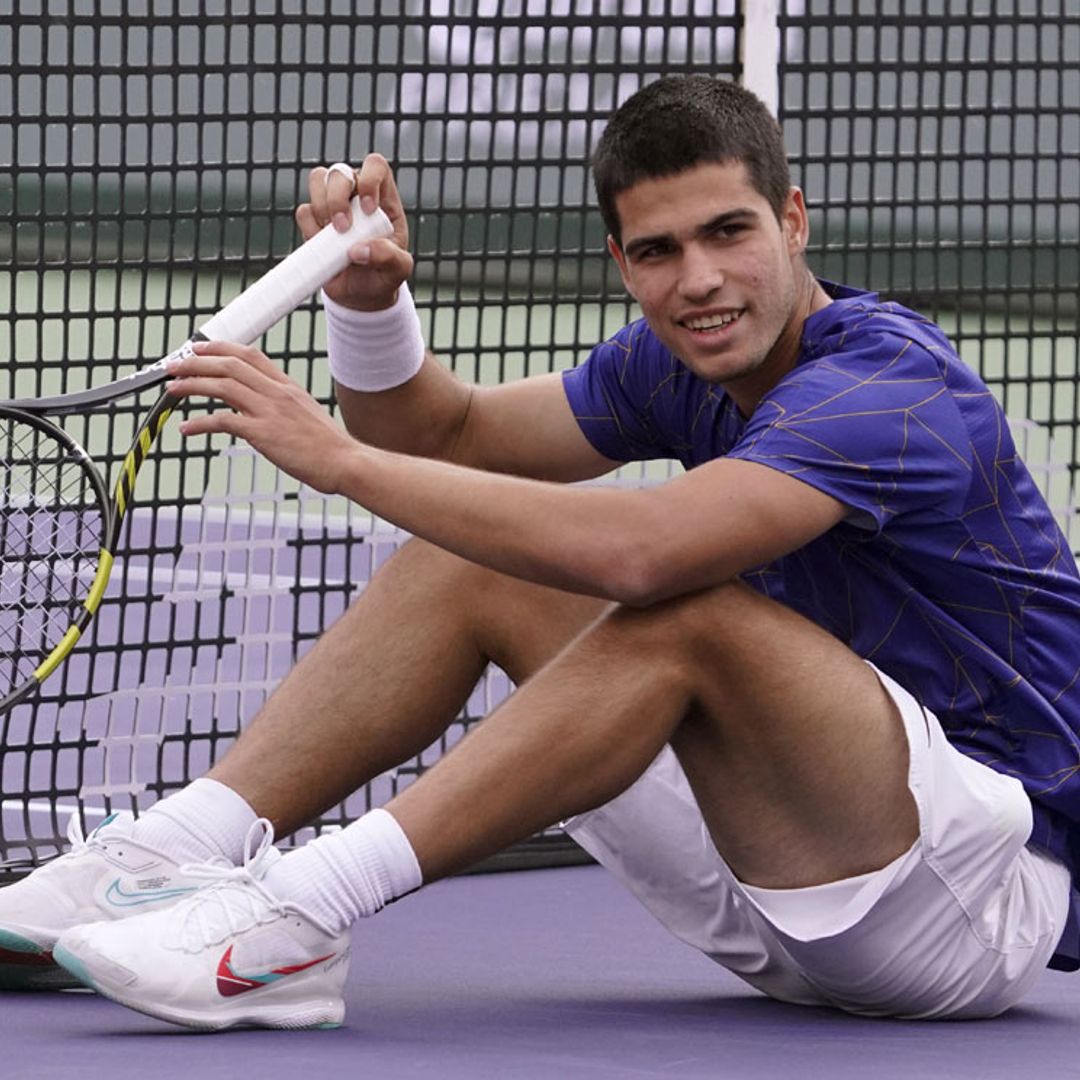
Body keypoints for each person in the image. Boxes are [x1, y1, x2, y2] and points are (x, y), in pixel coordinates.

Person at [1, 74, 1078, 1030]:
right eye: (658, 251)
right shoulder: (671, 364)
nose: (697, 278)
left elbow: (649, 554)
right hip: (778, 868)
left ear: (793, 221)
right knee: (478, 547)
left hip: (976, 898)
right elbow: (448, 436)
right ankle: (166, 852)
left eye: (728, 232)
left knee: (686, 609)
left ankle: (296, 918)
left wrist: (334, 462)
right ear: (620, 262)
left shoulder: (890, 389)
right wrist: (369, 306)